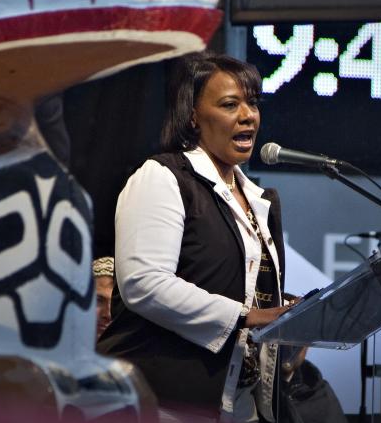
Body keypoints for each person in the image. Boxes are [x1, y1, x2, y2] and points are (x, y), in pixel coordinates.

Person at [97, 52, 295, 422]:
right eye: (229, 104)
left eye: (252, 103)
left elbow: (248, 292)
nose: (248, 115)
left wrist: (289, 313)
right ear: (192, 115)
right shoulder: (163, 177)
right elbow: (144, 283)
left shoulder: (259, 200)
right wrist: (245, 315)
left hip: (240, 402)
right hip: (165, 402)